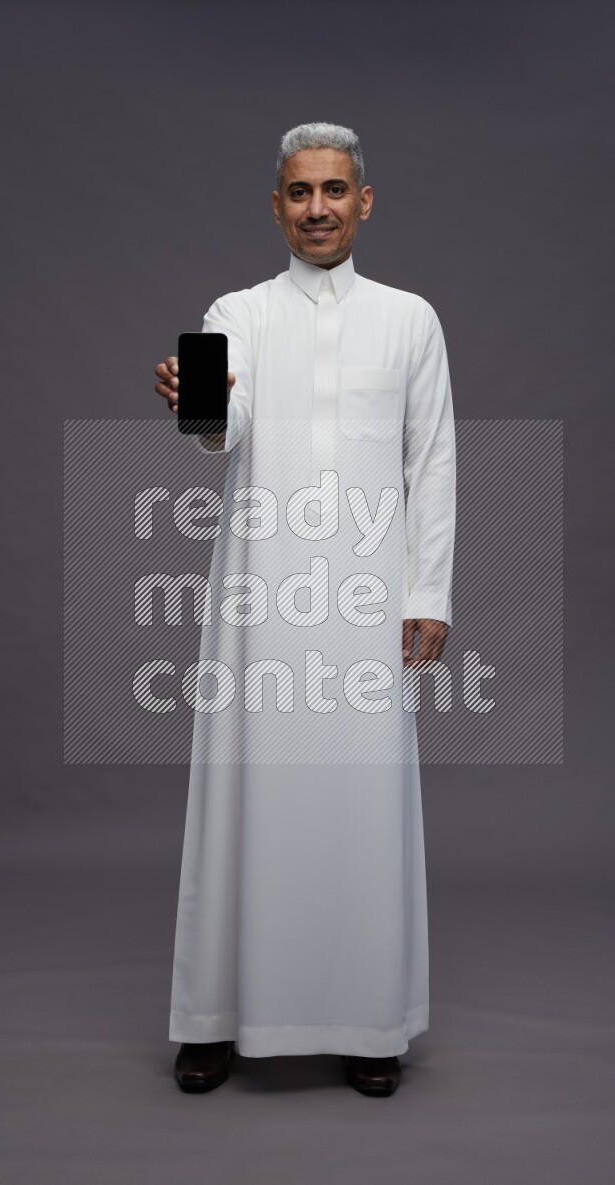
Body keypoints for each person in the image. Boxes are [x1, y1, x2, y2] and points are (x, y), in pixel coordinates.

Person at [154, 122, 456, 1097]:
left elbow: (431, 461)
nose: (317, 208)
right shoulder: (235, 314)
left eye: (333, 190)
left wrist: (427, 592)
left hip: (368, 598)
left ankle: (367, 1023)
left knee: (362, 805)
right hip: (261, 591)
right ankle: (214, 1018)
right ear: (276, 207)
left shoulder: (409, 319)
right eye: (299, 192)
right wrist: (195, 407)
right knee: (244, 793)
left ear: (363, 201)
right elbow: (222, 426)